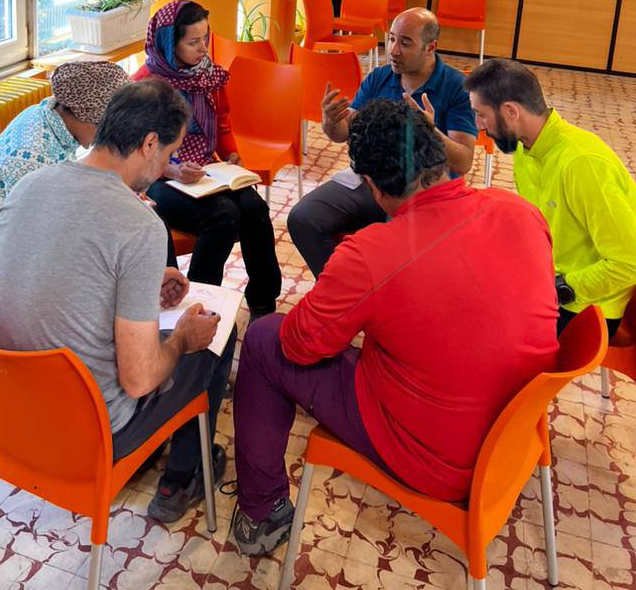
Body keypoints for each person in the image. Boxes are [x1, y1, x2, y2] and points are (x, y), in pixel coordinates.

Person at [231, 99, 558, 556]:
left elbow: (299, 345)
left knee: (264, 338)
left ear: (371, 186)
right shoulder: (519, 210)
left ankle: (261, 511)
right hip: (515, 440)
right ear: (436, 151)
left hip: (435, 461)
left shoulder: (371, 253)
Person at [0, 79, 235, 524]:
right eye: (169, 153)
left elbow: (63, 270)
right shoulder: (139, 224)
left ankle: (169, 459)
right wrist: (181, 339)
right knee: (215, 333)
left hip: (1, 412)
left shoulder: (29, 185)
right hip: (87, 435)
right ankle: (183, 477)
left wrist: (139, 281)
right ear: (149, 143)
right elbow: (138, 380)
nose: (166, 166)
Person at [465, 58, 636, 338]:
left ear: (510, 111)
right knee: (467, 286)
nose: (479, 125)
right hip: (550, 273)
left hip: (587, 307)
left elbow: (634, 264)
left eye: (481, 115)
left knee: (481, 334)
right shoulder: (527, 147)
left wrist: (560, 288)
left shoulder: (582, 164)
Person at [287, 7, 477, 276]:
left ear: (430, 47)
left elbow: (464, 161)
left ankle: (380, 293)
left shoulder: (456, 87)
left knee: (396, 251)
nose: (393, 50)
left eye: (405, 43)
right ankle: (346, 289)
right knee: (304, 218)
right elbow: (344, 132)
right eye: (391, 39)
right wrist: (330, 121)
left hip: (423, 190)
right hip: (373, 181)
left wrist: (429, 131)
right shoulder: (380, 77)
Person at [133, 0, 282, 318]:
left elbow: (223, 123)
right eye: (193, 42)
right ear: (169, 43)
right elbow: (136, 151)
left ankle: (263, 300)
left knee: (255, 208)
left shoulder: (209, 76)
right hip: (157, 178)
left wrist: (231, 154)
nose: (203, 48)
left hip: (206, 169)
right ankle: (197, 300)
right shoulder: (145, 85)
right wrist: (173, 170)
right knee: (223, 215)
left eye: (206, 38)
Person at [0, 60, 131, 272]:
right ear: (84, 116)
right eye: (104, 129)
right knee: (121, 254)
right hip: (10, 263)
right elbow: (41, 233)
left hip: (31, 234)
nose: (106, 138)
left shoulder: (46, 114)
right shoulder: (33, 158)